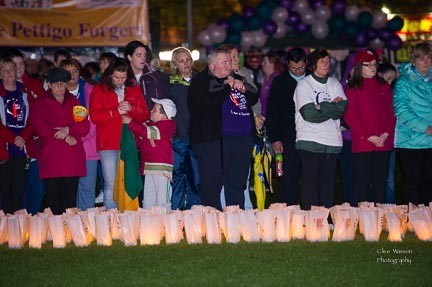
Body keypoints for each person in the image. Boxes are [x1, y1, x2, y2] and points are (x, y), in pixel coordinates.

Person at [188, 47, 259, 210]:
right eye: (224, 62)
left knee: (237, 182)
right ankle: (213, 221)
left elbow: (254, 96)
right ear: (212, 65)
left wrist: (243, 86)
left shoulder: (236, 77)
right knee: (212, 183)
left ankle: (235, 218)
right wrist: (227, 86)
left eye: (230, 61)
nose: (229, 65)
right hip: (212, 141)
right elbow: (208, 103)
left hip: (241, 138)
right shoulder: (202, 81)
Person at [90, 58, 149, 209]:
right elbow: (95, 116)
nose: (120, 81)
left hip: (129, 142)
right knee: (111, 183)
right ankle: (111, 218)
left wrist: (131, 108)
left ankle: (129, 217)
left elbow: (144, 115)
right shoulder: (99, 89)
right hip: (108, 143)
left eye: (123, 77)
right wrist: (116, 111)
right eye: (116, 77)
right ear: (110, 74)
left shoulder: (133, 89)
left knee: (129, 180)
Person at [30, 68, 89, 215]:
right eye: (55, 84)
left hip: (72, 159)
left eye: (62, 84)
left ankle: (69, 232)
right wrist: (65, 135)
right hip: (52, 157)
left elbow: (85, 127)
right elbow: (40, 127)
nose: (59, 87)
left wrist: (68, 130)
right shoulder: (40, 103)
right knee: (52, 200)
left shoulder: (75, 102)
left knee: (70, 201)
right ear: (49, 84)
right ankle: (54, 233)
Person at [293, 49, 347, 210]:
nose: (326, 64)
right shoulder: (304, 84)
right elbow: (308, 114)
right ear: (312, 65)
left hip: (332, 141)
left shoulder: (334, 83)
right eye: (322, 61)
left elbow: (342, 108)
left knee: (327, 184)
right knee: (310, 183)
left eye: (327, 61)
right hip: (310, 140)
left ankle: (326, 218)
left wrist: (319, 106)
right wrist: (331, 106)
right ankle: (310, 218)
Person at [344, 50, 395, 205]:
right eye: (368, 65)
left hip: (383, 142)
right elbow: (351, 117)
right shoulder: (352, 88)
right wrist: (369, 136)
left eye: (374, 64)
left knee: (381, 182)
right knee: (362, 184)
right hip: (363, 142)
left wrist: (385, 134)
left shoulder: (383, 85)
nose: (373, 67)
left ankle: (380, 217)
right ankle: (365, 219)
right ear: (359, 67)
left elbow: (391, 113)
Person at [2, 48, 45, 214]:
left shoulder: (33, 87)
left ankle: (31, 221)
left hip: (31, 146)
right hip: (8, 146)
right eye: (13, 65)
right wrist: (14, 138)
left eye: (21, 64)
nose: (18, 68)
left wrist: (23, 137)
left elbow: (37, 117)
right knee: (9, 187)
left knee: (33, 185)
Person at [218, 44, 258, 210]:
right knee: (225, 176)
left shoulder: (242, 76)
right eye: (231, 57)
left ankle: (241, 209)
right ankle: (225, 210)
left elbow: (254, 96)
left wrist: (243, 85)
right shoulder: (218, 79)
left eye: (236, 56)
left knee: (241, 177)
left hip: (244, 134)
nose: (235, 60)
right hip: (226, 134)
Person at [266, 47, 307, 205]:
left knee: (310, 177)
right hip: (287, 136)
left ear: (306, 63)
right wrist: (275, 139)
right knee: (288, 177)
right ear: (287, 65)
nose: (297, 71)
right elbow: (272, 112)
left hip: (310, 134)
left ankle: (311, 212)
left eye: (301, 68)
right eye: (293, 68)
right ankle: (289, 213)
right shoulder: (280, 81)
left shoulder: (312, 78)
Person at [393, 42, 432, 206]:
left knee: (429, 183)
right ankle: (412, 220)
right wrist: (426, 128)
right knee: (412, 182)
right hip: (409, 142)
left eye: (429, 57)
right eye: (421, 58)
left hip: (429, 142)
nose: (426, 61)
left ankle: (427, 220)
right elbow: (401, 111)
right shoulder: (403, 82)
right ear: (413, 60)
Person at [123, 98, 176, 209]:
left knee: (162, 200)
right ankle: (149, 223)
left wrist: (131, 122)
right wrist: (136, 134)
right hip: (149, 167)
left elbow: (149, 132)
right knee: (148, 199)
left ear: (164, 115)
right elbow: (142, 143)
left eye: (155, 110)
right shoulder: (152, 125)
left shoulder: (168, 125)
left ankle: (165, 224)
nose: (151, 111)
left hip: (162, 168)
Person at [60, 58, 98, 211]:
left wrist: (78, 138)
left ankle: (86, 225)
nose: (72, 75)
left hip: (88, 147)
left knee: (87, 187)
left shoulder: (91, 90)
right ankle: (68, 225)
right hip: (65, 147)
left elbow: (94, 120)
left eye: (75, 71)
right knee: (68, 189)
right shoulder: (57, 92)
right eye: (68, 72)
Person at [0, 58, 35, 214]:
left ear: (17, 72)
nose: (9, 73)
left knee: (19, 188)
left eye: (11, 69)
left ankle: (18, 227)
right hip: (4, 147)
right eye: (4, 70)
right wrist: (12, 138)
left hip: (22, 148)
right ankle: (5, 226)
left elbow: (34, 120)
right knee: (4, 190)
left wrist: (23, 137)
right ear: (0, 74)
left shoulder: (26, 93)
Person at [168, 47, 201, 210]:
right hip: (178, 137)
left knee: (196, 176)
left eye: (188, 59)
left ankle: (195, 211)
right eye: (181, 61)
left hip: (197, 136)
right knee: (178, 176)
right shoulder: (170, 83)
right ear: (175, 63)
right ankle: (177, 211)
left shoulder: (201, 80)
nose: (186, 63)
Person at [124, 40, 167, 109]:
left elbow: (161, 102)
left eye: (144, 55)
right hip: (130, 118)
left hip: (151, 118)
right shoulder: (122, 78)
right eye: (139, 55)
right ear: (129, 57)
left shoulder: (154, 77)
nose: (143, 58)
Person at [377, 63, 398, 204]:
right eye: (387, 78)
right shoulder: (372, 91)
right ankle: (374, 209)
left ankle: (390, 208)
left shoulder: (393, 93)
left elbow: (393, 116)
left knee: (389, 177)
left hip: (389, 140)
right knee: (374, 177)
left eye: (392, 80)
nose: (389, 82)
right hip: (372, 140)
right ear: (379, 74)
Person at [260, 51, 283, 119]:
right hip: (264, 117)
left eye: (265, 62)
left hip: (272, 118)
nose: (262, 64)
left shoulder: (277, 79)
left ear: (273, 64)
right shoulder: (266, 78)